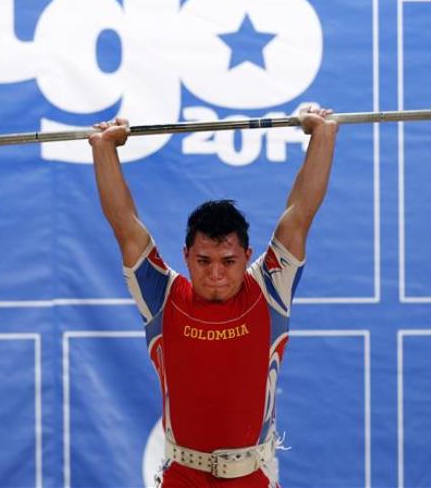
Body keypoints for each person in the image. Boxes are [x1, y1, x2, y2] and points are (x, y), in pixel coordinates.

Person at [89, 106, 338, 487]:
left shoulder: (270, 288)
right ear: (186, 255)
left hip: (251, 476)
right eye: (203, 260)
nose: (216, 274)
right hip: (182, 476)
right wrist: (105, 147)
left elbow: (300, 212)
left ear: (247, 257)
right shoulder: (163, 295)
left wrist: (322, 133)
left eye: (228, 260)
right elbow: (124, 225)